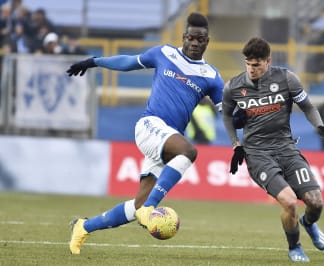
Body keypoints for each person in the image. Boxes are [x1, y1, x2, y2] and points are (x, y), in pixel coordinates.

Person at [66, 12, 223, 255]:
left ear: (207, 42)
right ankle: (150, 208)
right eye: (191, 38)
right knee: (189, 152)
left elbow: (228, 111)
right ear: (184, 37)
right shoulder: (164, 53)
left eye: (200, 39)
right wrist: (94, 61)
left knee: (136, 206)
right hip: (150, 126)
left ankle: (83, 226)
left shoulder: (212, 76)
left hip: (167, 140)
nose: (195, 43)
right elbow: (129, 62)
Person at [222, 37, 324, 263]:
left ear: (268, 61)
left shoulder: (287, 79)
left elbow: (308, 106)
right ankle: (295, 247)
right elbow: (226, 115)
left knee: (316, 203)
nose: (251, 69)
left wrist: (319, 125)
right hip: (258, 154)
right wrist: (236, 144)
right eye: (248, 64)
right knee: (289, 201)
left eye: (257, 65)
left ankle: (308, 223)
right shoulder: (233, 86)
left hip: (286, 149)